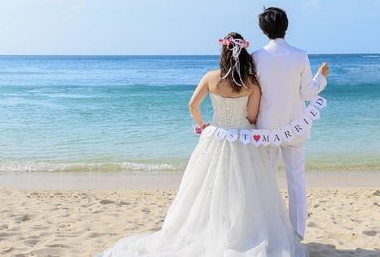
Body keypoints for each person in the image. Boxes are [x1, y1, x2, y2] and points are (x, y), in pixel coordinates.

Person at [100, 31, 307, 256]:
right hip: (243, 140)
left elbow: (192, 105)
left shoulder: (211, 77)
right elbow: (252, 117)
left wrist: (202, 126)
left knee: (207, 189)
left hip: (215, 137)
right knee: (245, 191)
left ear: (223, 52)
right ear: (244, 54)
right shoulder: (251, 83)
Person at [252, 7, 329, 241]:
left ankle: (268, 232)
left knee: (265, 182)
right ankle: (297, 235)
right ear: (286, 27)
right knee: (296, 182)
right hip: (295, 126)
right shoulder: (300, 55)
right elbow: (307, 94)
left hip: (267, 129)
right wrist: (321, 76)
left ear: (263, 30)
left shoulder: (256, 57)